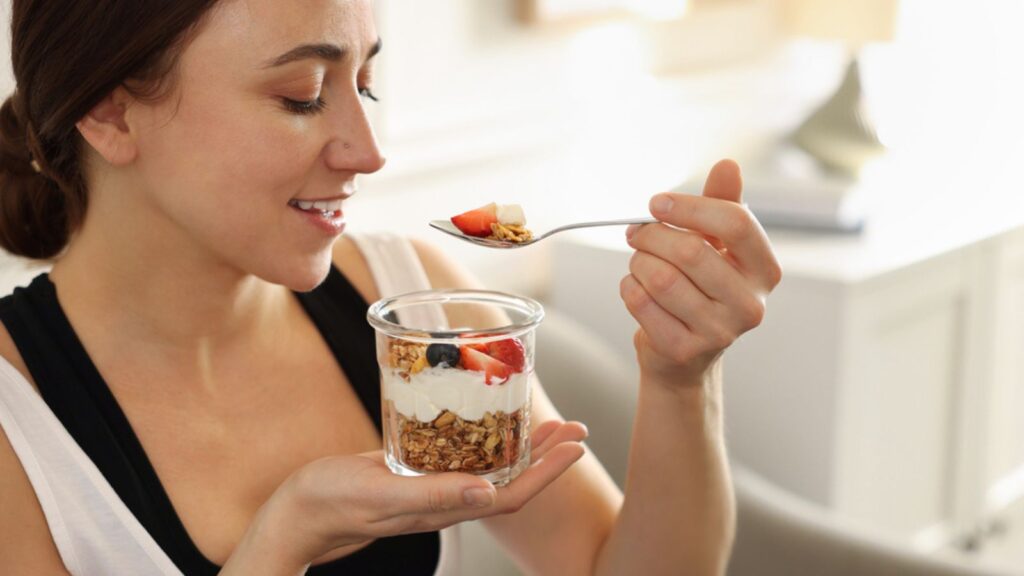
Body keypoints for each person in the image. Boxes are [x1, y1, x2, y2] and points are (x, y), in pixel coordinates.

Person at [0, 0, 782, 574]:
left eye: (365, 82)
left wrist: (681, 379)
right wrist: (284, 541)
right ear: (111, 114)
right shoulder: (15, 414)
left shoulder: (413, 301)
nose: (370, 152)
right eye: (303, 93)